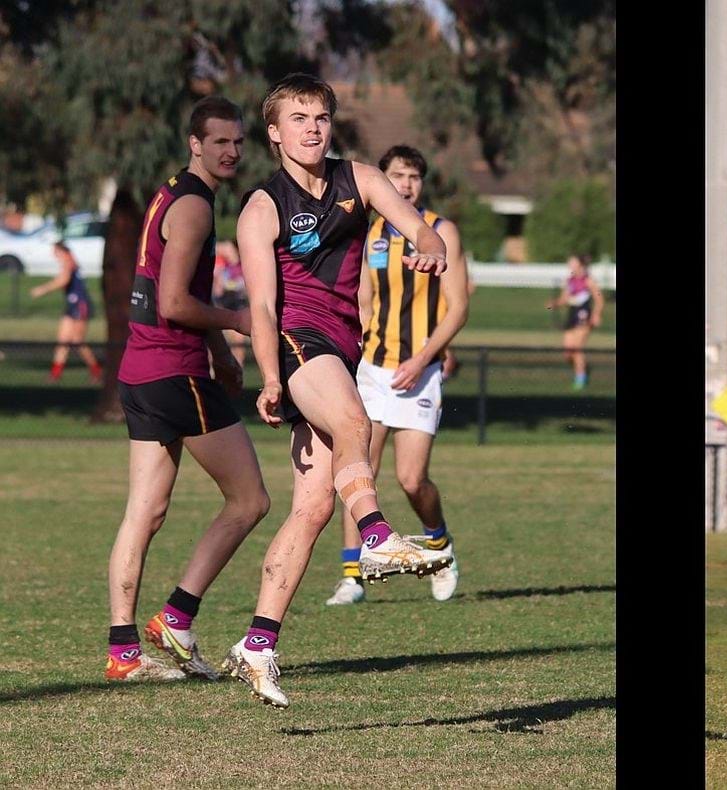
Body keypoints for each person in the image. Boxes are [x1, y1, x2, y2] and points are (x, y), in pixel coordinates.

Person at [223, 74, 455, 708]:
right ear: (274, 133)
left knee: (313, 507)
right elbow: (263, 307)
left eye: (321, 117)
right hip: (299, 344)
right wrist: (270, 377)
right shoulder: (262, 207)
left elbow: (420, 227)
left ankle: (259, 642)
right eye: (298, 119)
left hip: (342, 348)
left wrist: (429, 248)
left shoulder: (361, 179)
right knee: (357, 423)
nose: (312, 128)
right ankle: (377, 536)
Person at [106, 95, 270, 683]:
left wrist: (221, 351)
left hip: (140, 371)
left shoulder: (174, 191)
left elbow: (165, 292)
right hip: (174, 374)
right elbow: (176, 302)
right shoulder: (197, 206)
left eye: (238, 141)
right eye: (220, 141)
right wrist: (238, 322)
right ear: (194, 143)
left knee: (144, 512)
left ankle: (123, 652)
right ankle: (177, 616)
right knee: (251, 500)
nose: (231, 151)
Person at [325, 144, 470, 607]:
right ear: (383, 180)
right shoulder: (371, 233)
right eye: (397, 176)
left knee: (412, 480)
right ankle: (353, 573)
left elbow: (459, 306)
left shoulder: (442, 231)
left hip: (421, 371)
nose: (405, 184)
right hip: (374, 368)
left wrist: (426, 355)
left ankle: (439, 546)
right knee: (359, 470)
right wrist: (359, 347)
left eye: (413, 176)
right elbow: (363, 298)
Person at [29, 241, 102, 383]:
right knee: (63, 341)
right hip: (71, 306)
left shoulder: (69, 262)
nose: (54, 255)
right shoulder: (68, 262)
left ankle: (96, 371)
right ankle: (55, 374)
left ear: (62, 251)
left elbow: (63, 280)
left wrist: (42, 290)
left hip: (80, 305)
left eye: (55, 252)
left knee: (77, 341)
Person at [546, 254, 604, 390]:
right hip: (571, 316)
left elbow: (599, 299)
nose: (569, 264)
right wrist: (554, 304)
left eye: (572, 261)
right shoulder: (569, 280)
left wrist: (596, 315)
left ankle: (581, 378)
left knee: (577, 348)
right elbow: (564, 299)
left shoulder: (589, 280)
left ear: (580, 264)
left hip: (584, 317)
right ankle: (582, 368)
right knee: (568, 353)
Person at [212, 240, 248, 365]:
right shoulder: (221, 264)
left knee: (238, 342)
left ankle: (239, 367)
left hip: (237, 304)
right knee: (220, 341)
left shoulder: (243, 264)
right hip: (223, 304)